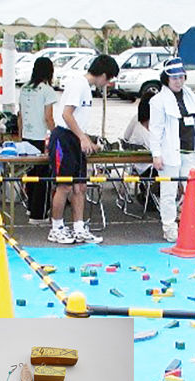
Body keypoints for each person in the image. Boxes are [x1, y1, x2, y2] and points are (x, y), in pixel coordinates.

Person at [47, 54, 119, 244]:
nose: (107, 84)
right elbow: (67, 114)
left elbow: (78, 118)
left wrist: (86, 140)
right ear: (103, 75)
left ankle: (79, 227)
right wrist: (82, 137)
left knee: (80, 186)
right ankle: (56, 228)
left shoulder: (86, 88)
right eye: (108, 79)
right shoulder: (78, 84)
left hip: (75, 139)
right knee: (64, 185)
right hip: (64, 138)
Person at [150, 57, 195, 243]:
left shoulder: (191, 96)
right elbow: (155, 130)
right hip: (170, 153)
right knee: (168, 192)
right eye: (174, 77)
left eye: (181, 77)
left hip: (189, 151)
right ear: (167, 79)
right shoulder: (158, 101)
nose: (178, 81)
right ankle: (169, 226)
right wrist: (156, 154)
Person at [17, 57, 57, 225]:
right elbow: (48, 118)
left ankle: (30, 207)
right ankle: (38, 214)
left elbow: (20, 116)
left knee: (30, 174)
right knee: (42, 177)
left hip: (26, 136)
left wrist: (20, 136)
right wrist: (56, 134)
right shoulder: (47, 90)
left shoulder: (24, 88)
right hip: (40, 137)